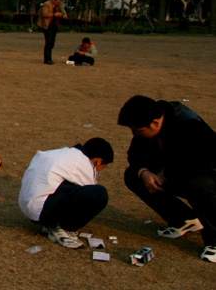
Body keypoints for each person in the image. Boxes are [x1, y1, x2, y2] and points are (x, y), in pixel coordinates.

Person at [118, 95, 216, 263]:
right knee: (133, 176)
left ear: (155, 123)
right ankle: (184, 219)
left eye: (137, 130)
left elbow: (203, 162)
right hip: (177, 173)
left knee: (197, 183)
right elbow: (134, 155)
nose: (135, 134)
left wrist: (169, 173)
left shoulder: (189, 125)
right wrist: (144, 173)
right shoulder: (149, 123)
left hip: (208, 178)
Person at [18, 138, 113, 249]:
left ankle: (52, 222)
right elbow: (90, 191)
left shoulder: (61, 153)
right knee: (99, 194)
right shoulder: (81, 162)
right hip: (41, 211)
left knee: (71, 188)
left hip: (30, 205)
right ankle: (65, 228)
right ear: (99, 161)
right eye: (102, 167)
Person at [38, 0, 67, 65]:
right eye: (57, 2)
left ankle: (49, 58)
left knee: (52, 42)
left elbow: (63, 12)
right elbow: (44, 14)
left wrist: (62, 14)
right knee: (48, 42)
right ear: (54, 0)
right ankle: (47, 59)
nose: (58, 3)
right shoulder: (46, 4)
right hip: (48, 25)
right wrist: (54, 14)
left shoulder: (58, 5)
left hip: (54, 25)